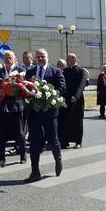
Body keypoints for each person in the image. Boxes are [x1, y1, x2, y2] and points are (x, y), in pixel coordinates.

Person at [24, 48, 66, 183]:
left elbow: (62, 88)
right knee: (34, 143)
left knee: (53, 140)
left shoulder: (56, 71)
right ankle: (35, 172)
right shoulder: (30, 72)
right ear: (35, 58)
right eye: (38, 57)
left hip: (50, 112)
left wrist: (48, 93)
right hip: (34, 113)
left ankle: (58, 160)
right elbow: (24, 88)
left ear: (47, 57)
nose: (40, 59)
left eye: (43, 57)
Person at [0, 52, 26, 169]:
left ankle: (23, 154)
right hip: (2, 105)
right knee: (1, 134)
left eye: (10, 58)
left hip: (16, 105)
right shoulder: (0, 71)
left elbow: (24, 87)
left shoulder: (20, 70)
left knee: (20, 133)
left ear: (14, 59)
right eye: (5, 58)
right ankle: (1, 159)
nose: (7, 60)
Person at [59, 53, 87, 149]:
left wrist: (76, 96)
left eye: (69, 59)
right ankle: (64, 141)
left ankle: (78, 142)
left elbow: (82, 84)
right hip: (65, 99)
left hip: (77, 100)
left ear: (74, 59)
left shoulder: (81, 71)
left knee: (77, 121)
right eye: (67, 59)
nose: (67, 61)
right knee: (64, 120)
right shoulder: (65, 71)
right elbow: (62, 84)